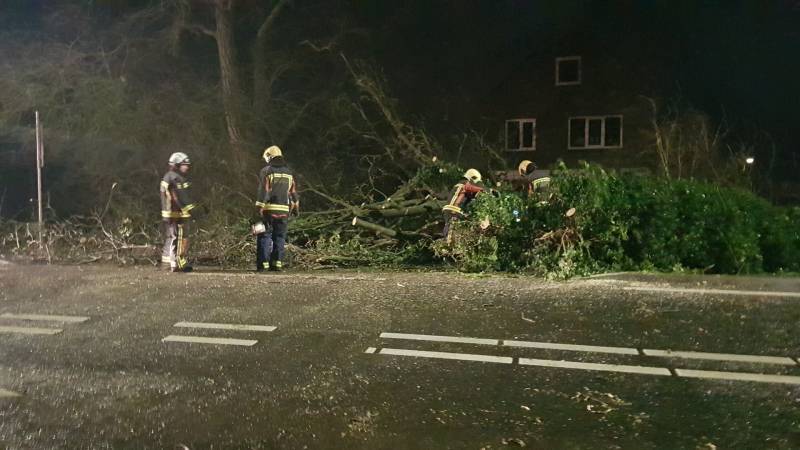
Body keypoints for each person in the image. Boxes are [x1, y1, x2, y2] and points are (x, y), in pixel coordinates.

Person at [254, 145, 299, 272]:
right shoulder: (289, 172)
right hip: (284, 210)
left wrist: (258, 208)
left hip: (269, 209)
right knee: (280, 237)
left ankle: (263, 265)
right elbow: (293, 192)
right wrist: (296, 207)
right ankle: (277, 264)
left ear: (269, 157)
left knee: (264, 235)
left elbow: (264, 191)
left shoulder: (266, 171)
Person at [160, 152, 196, 272]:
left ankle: (170, 263)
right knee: (177, 237)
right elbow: (177, 197)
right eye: (184, 164)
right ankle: (175, 264)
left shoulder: (170, 176)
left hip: (173, 213)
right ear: (176, 164)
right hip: (175, 213)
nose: (186, 167)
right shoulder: (174, 177)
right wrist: (187, 209)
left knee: (173, 237)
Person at [442, 168, 484, 242]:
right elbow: (471, 189)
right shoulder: (463, 183)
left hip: (450, 210)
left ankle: (449, 240)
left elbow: (471, 197)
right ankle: (449, 242)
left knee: (451, 225)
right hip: (453, 209)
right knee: (453, 224)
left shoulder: (462, 189)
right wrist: (484, 191)